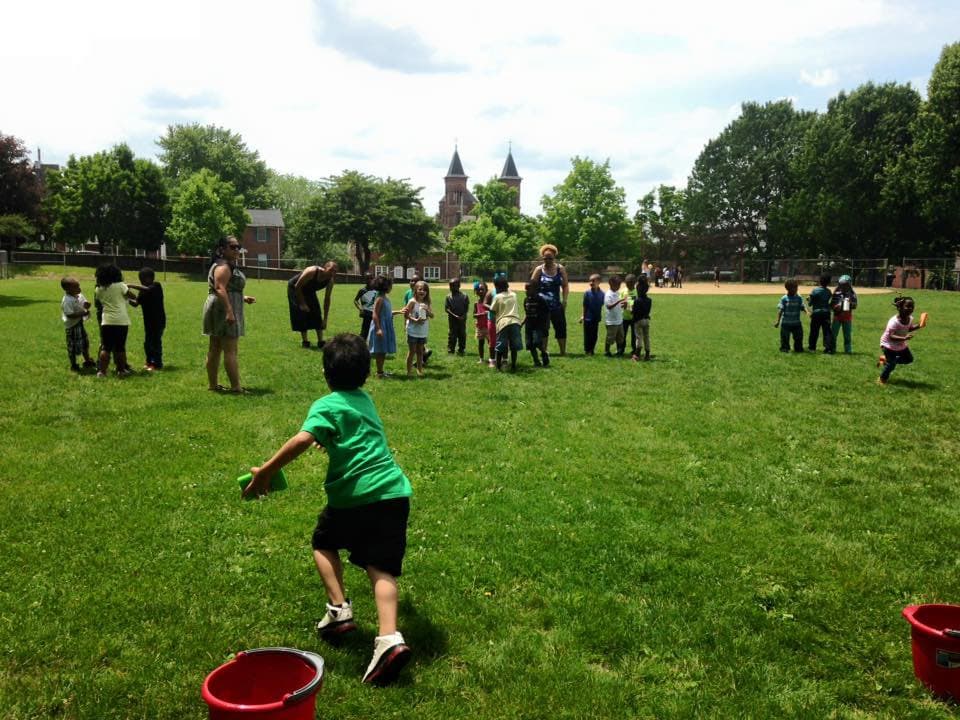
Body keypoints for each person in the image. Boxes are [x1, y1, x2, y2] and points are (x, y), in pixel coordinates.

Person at [244, 333, 413, 686]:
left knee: (323, 541)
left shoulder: (326, 404)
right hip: (394, 491)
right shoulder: (365, 400)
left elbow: (304, 439)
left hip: (354, 495)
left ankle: (338, 611)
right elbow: (354, 435)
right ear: (366, 375)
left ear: (326, 373)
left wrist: (266, 471)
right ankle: (388, 639)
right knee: (381, 568)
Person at [202, 236, 256, 393]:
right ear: (222, 249)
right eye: (232, 247)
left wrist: (243, 298)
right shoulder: (223, 267)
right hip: (223, 308)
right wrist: (229, 311)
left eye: (238, 246)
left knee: (215, 347)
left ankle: (213, 385)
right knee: (230, 350)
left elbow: (225, 287)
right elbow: (219, 288)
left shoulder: (225, 265)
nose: (237, 250)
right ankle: (236, 387)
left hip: (221, 306)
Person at [94, 263, 140, 378]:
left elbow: (101, 301)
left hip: (106, 321)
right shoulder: (121, 285)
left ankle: (102, 371)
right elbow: (133, 296)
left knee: (106, 347)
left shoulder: (98, 289)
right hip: (121, 321)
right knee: (120, 347)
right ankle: (121, 370)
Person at [530, 244, 569, 356]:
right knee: (543, 329)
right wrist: (533, 301)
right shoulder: (538, 270)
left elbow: (565, 285)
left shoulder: (560, 269)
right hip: (542, 306)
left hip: (557, 305)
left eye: (550, 258)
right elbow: (532, 286)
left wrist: (564, 300)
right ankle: (544, 351)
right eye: (545, 258)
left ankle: (563, 351)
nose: (547, 260)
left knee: (561, 327)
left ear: (554, 257)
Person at [288, 261, 337, 348]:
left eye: (335, 271)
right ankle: (305, 342)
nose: (332, 273)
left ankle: (321, 341)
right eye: (330, 270)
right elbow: (297, 286)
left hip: (309, 290)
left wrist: (325, 319)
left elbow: (327, 299)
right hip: (295, 288)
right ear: (325, 268)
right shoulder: (312, 272)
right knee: (302, 313)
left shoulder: (330, 281)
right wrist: (302, 303)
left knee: (316, 312)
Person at [878, 296, 921, 385]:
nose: (910, 309)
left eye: (912, 307)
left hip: (900, 344)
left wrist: (919, 325)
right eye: (908, 306)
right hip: (888, 345)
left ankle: (886, 359)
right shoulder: (894, 322)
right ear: (900, 308)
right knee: (891, 365)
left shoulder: (910, 318)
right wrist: (904, 338)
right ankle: (882, 379)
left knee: (909, 359)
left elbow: (907, 328)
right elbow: (891, 336)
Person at [129, 267, 166, 370]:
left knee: (155, 342)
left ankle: (157, 364)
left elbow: (147, 289)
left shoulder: (156, 286)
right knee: (147, 343)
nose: (141, 281)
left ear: (150, 278)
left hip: (158, 321)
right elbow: (136, 303)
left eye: (142, 278)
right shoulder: (142, 291)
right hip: (148, 321)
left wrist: (131, 285)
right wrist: (126, 297)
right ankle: (149, 361)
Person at [367, 275, 403, 379]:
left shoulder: (385, 298)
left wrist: (399, 312)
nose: (391, 287)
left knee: (382, 350)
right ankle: (379, 373)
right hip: (380, 326)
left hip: (385, 326)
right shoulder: (380, 299)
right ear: (385, 286)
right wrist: (378, 329)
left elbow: (386, 313)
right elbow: (375, 314)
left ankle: (380, 371)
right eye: (390, 285)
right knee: (380, 351)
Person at [60, 276, 96, 372]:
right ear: (68, 289)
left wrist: (87, 305)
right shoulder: (67, 300)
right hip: (72, 327)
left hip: (80, 324)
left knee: (84, 342)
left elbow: (84, 304)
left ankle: (87, 360)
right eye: (76, 287)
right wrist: (83, 313)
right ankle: (73, 364)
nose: (79, 289)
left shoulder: (79, 295)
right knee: (72, 345)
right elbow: (70, 314)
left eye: (79, 286)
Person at [489, 275, 522, 371]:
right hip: (515, 322)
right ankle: (514, 365)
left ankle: (498, 367)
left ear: (497, 287)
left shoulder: (497, 297)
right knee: (514, 347)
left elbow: (492, 310)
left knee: (500, 347)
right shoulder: (514, 295)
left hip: (503, 323)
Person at [403, 280, 433, 378]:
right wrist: (415, 320)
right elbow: (406, 315)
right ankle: (409, 371)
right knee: (412, 351)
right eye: (420, 289)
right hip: (412, 330)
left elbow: (432, 315)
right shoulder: (412, 301)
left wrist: (427, 310)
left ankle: (419, 370)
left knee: (420, 351)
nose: (422, 292)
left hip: (422, 331)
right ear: (415, 290)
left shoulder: (427, 302)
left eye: (425, 290)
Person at [774, 278, 807, 353]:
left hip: (796, 323)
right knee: (785, 337)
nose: (796, 289)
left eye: (796, 287)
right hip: (786, 323)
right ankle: (785, 348)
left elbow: (802, 306)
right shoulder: (784, 298)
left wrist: (806, 311)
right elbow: (780, 310)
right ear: (788, 288)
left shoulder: (799, 298)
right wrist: (778, 321)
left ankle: (798, 348)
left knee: (799, 337)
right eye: (794, 287)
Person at [521, 280, 550, 367]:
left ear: (535, 289)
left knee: (537, 342)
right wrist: (522, 323)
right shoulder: (526, 300)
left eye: (528, 289)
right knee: (530, 345)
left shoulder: (540, 300)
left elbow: (547, 312)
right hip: (529, 326)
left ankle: (544, 353)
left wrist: (547, 325)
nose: (526, 291)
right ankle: (536, 361)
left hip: (538, 325)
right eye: (525, 289)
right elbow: (527, 314)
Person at [831, 274, 858, 354]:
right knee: (833, 334)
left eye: (845, 285)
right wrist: (835, 307)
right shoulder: (836, 293)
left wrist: (851, 303)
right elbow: (831, 305)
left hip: (847, 317)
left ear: (849, 285)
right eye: (842, 285)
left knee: (847, 335)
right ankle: (832, 348)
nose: (843, 287)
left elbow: (855, 306)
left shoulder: (852, 294)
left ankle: (848, 350)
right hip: (837, 317)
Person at [807, 274, 834, 354]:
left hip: (816, 313)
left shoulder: (815, 291)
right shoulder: (829, 291)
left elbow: (810, 304)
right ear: (828, 282)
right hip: (826, 313)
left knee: (814, 331)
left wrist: (809, 299)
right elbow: (829, 302)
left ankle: (812, 347)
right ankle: (828, 348)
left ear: (819, 281)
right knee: (827, 331)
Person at [579, 274, 605, 355]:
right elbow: (585, 305)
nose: (591, 282)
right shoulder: (587, 293)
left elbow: (603, 305)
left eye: (593, 281)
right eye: (590, 281)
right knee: (587, 335)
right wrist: (583, 316)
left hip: (596, 318)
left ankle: (592, 349)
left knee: (594, 335)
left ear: (599, 282)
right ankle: (587, 350)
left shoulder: (602, 294)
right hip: (588, 318)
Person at [631, 276, 653, 361]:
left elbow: (633, 311)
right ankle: (647, 354)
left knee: (638, 337)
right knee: (646, 337)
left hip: (638, 321)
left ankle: (636, 354)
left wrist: (631, 308)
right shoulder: (649, 300)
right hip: (646, 320)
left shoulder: (636, 300)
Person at [444, 278, 469, 355]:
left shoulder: (464, 296)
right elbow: (447, 309)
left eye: (453, 286)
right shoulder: (448, 297)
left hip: (462, 319)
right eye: (450, 286)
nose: (451, 287)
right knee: (452, 334)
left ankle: (461, 349)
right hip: (452, 320)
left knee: (462, 334)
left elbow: (466, 308)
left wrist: (463, 316)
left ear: (459, 286)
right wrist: (455, 316)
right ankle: (451, 349)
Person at [603, 275, 626, 357]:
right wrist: (619, 301)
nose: (619, 287)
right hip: (611, 321)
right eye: (617, 285)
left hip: (619, 320)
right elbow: (609, 306)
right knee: (610, 338)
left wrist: (623, 304)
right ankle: (607, 351)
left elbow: (618, 305)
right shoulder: (608, 294)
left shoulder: (617, 293)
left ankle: (619, 351)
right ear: (611, 284)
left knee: (620, 337)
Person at [353, 272, 377, 341]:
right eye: (367, 278)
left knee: (374, 331)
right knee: (365, 331)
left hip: (376, 313)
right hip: (367, 313)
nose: (369, 280)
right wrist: (360, 309)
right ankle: (361, 345)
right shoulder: (362, 291)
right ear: (365, 280)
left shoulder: (377, 290)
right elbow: (355, 300)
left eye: (371, 278)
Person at [473, 281, 492, 365]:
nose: (480, 291)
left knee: (490, 343)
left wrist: (487, 313)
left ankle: (492, 358)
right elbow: (474, 314)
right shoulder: (476, 303)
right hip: (480, 327)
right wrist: (480, 314)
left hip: (488, 326)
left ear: (486, 290)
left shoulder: (489, 302)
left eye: (482, 289)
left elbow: (493, 311)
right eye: (479, 289)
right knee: (481, 343)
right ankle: (481, 359)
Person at [620, 274, 636, 355]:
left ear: (634, 283)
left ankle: (634, 349)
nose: (629, 286)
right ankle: (621, 349)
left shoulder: (637, 292)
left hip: (634, 318)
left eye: (631, 284)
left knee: (634, 335)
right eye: (627, 284)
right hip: (624, 317)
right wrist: (622, 304)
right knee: (623, 335)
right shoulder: (623, 291)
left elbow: (637, 305)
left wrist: (629, 305)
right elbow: (619, 302)